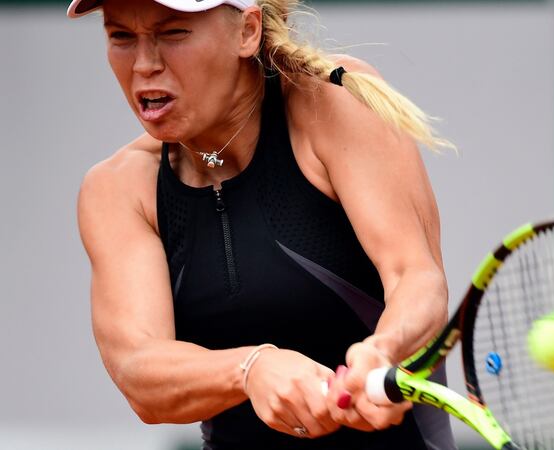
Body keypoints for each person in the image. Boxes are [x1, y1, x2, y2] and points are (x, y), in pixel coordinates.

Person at [72, 0, 456, 448]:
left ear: (247, 32)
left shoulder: (333, 99)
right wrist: (250, 369)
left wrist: (383, 350)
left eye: (173, 33)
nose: (144, 64)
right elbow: (139, 369)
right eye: (121, 36)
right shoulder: (116, 189)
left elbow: (417, 277)